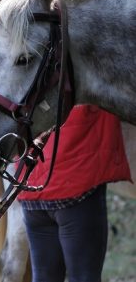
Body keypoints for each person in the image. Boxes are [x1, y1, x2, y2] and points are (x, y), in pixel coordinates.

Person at [18, 105, 132, 282]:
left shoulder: (31, 86)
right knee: (84, 277)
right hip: (76, 192)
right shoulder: (89, 84)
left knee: (44, 277)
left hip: (32, 192)